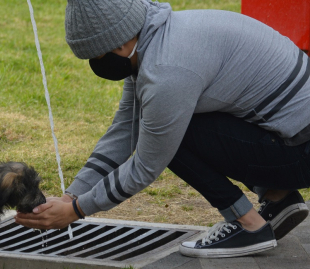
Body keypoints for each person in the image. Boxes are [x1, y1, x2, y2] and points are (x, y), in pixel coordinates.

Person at [15, 0, 310, 258]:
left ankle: (249, 227)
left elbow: (146, 164)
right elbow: (124, 129)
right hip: (294, 134)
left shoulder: (166, 71)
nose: (97, 64)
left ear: (118, 43)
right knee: (162, 124)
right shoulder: (153, 37)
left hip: (302, 149)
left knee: (169, 137)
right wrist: (72, 196)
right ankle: (278, 195)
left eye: (97, 56)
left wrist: (77, 211)